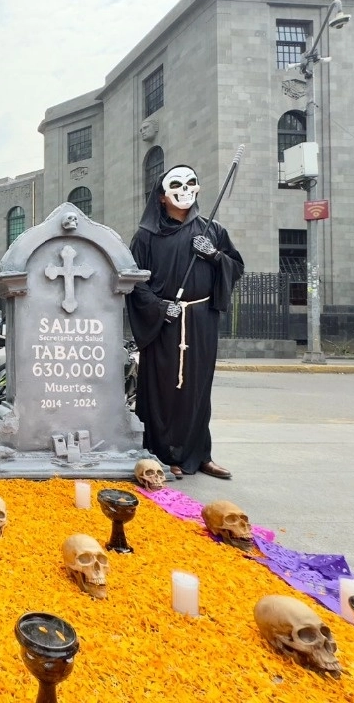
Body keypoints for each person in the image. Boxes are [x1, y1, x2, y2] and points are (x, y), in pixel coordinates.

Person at [126, 165, 244, 480]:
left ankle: (199, 454)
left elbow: (237, 267)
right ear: (162, 197)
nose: (185, 189)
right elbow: (134, 281)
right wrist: (159, 306)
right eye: (176, 185)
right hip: (165, 324)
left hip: (202, 320)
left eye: (191, 182)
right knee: (165, 391)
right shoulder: (146, 237)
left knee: (197, 389)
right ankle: (163, 454)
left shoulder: (213, 230)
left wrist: (215, 256)